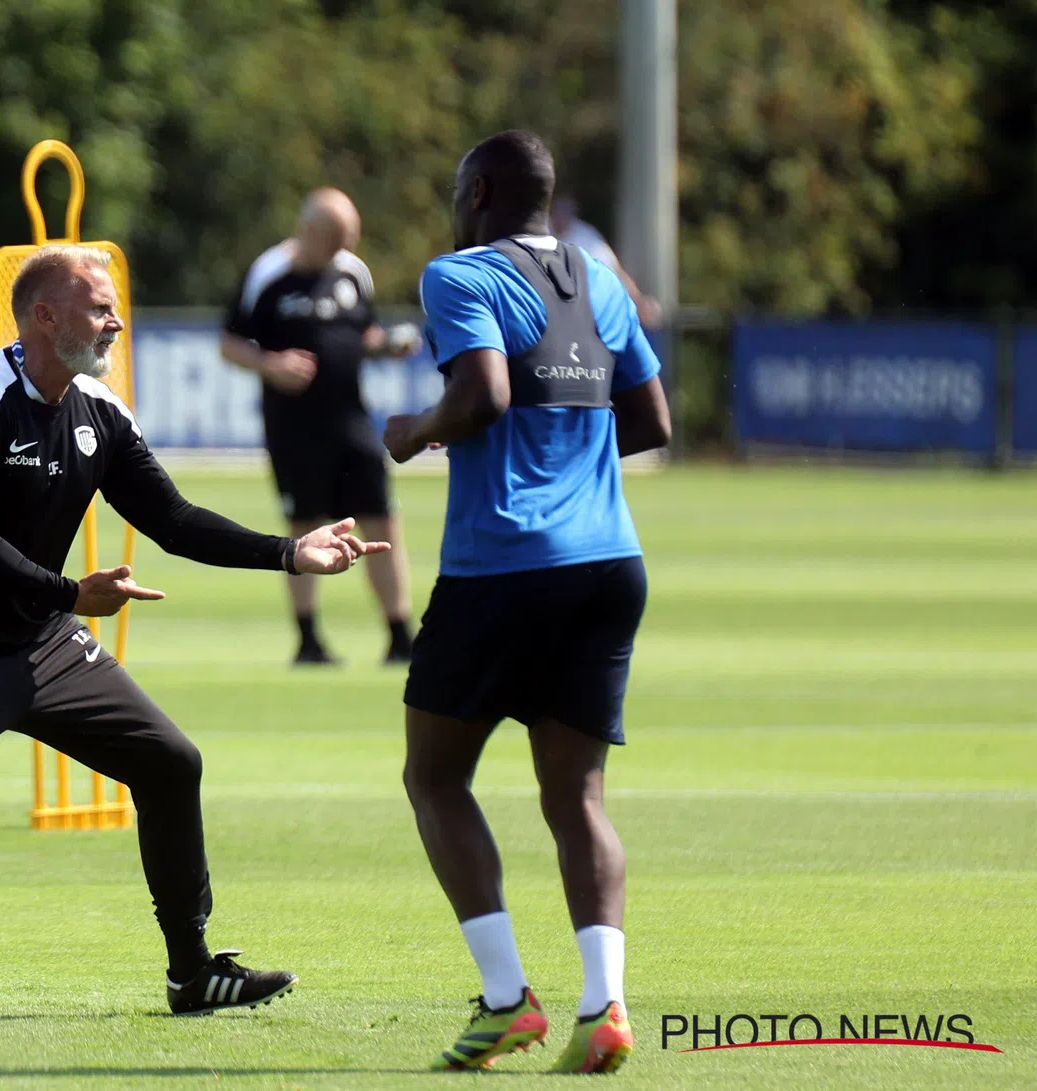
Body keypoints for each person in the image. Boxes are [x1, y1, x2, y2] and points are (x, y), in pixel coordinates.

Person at [0, 244, 389, 1024]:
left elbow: (175, 521)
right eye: (97, 306)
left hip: (45, 642)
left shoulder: (101, 413)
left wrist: (290, 552)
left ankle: (191, 971)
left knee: (169, 762)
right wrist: (69, 592)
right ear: (44, 316)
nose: (116, 320)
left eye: (114, 305)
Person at [382, 131, 672, 1073]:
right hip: (609, 561)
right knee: (576, 796)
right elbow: (655, 421)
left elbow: (482, 397)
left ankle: (508, 1000)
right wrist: (574, 474)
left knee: (434, 777)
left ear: (479, 190)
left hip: (503, 561)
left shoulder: (457, 274)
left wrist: (412, 431)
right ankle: (606, 1006)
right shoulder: (599, 278)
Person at [221, 188, 421, 666]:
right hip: (293, 427)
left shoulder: (353, 272)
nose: (341, 251)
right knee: (305, 524)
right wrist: (271, 364)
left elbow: (362, 331)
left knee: (381, 516)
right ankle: (308, 639)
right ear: (309, 230)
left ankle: (399, 636)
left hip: (351, 420)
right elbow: (230, 343)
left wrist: (386, 345)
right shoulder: (270, 274)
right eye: (334, 240)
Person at [552, 194, 662, 329]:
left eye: (565, 210)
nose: (561, 215)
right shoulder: (539, 232)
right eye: (558, 209)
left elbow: (614, 271)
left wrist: (638, 301)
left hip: (580, 315)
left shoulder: (586, 236)